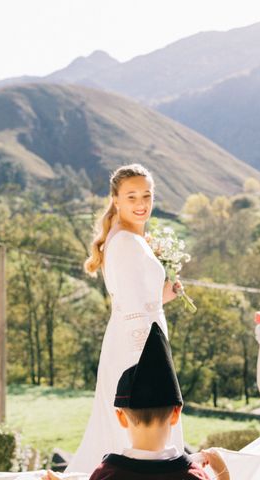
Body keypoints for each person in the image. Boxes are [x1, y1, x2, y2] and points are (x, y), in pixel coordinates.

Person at [66, 164, 184, 473]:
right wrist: (149, 362)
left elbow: (134, 297)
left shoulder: (127, 236)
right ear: (116, 199)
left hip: (137, 337)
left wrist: (162, 296)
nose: (142, 203)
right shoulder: (125, 243)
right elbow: (134, 311)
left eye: (147, 195)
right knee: (140, 427)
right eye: (132, 196)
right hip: (139, 347)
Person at [51, 323, 227, 480]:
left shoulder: (106, 475)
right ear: (176, 414)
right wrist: (223, 473)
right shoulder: (193, 475)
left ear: (120, 417)